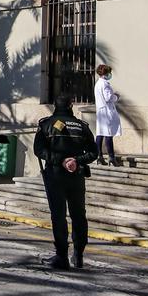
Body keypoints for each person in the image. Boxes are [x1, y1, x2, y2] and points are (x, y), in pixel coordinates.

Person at [34, 95, 99, 270]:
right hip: (76, 176)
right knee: (78, 215)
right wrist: (76, 160)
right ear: (71, 105)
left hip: (55, 175)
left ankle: (61, 256)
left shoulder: (46, 124)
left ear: (55, 105)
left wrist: (60, 160)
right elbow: (94, 152)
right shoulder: (81, 126)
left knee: (58, 215)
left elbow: (38, 150)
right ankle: (78, 255)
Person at [93, 64, 121, 165]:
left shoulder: (98, 83)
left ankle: (99, 156)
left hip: (101, 111)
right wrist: (116, 96)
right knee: (108, 134)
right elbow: (108, 98)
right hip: (106, 111)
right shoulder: (104, 84)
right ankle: (111, 157)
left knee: (100, 134)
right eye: (109, 72)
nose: (110, 74)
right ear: (106, 73)